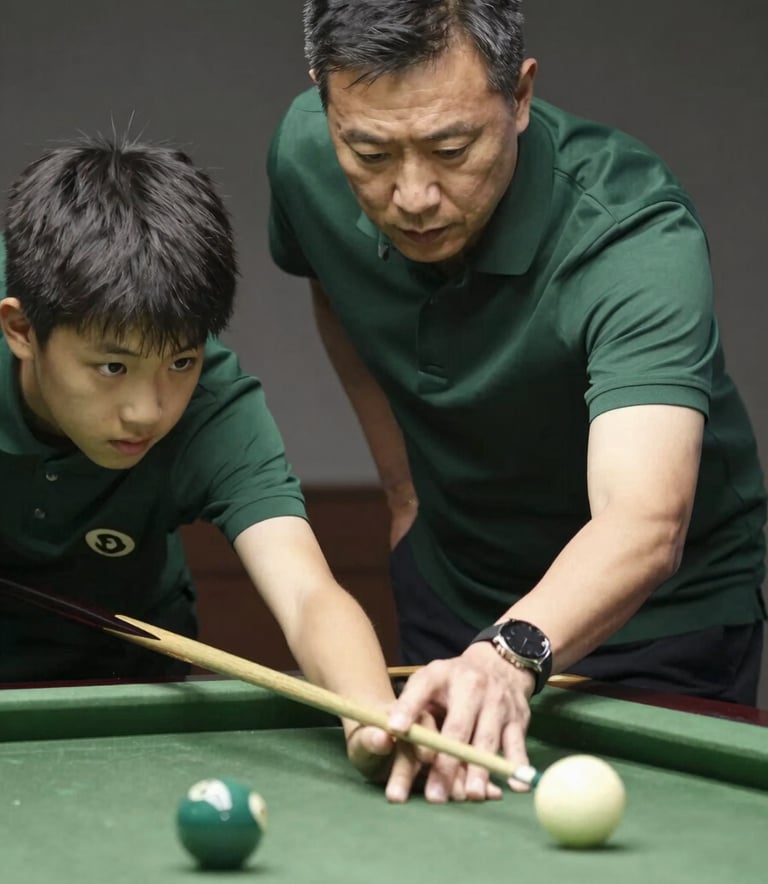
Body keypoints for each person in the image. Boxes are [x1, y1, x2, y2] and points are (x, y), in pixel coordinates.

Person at [267, 0, 767, 803]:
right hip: (454, 588)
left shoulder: (633, 237)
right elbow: (334, 286)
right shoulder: (305, 158)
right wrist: (402, 490)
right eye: (369, 151)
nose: (413, 194)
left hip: (661, 623)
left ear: (521, 95)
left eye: (451, 147)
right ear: (326, 103)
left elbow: (645, 525)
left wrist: (509, 654)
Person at [0, 134, 415, 789]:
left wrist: (373, 718)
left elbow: (308, 594)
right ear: (21, 330)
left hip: (130, 677)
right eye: (112, 366)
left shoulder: (216, 410)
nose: (147, 409)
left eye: (180, 361)